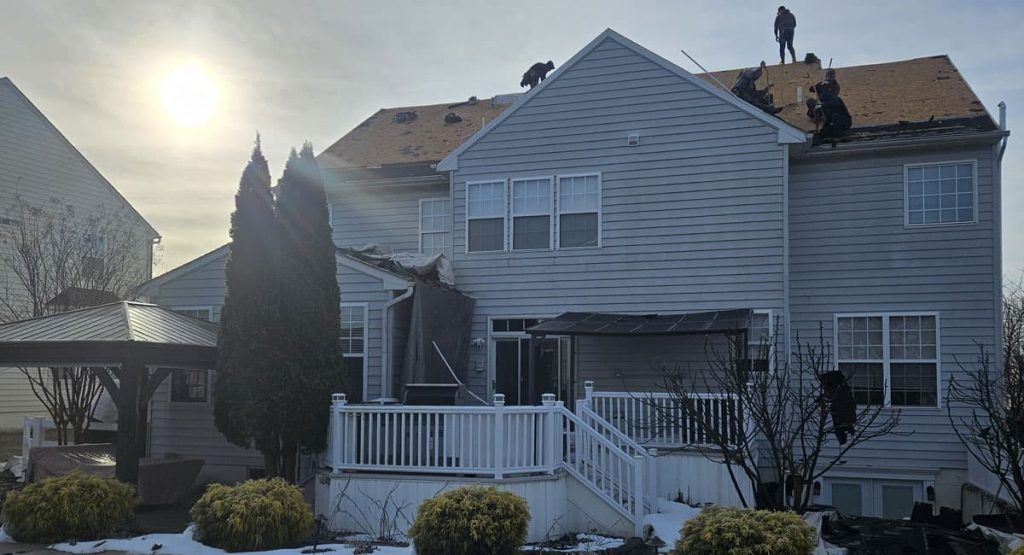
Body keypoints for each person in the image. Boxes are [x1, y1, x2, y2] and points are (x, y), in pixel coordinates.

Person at [806, 69, 852, 138]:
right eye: (830, 77)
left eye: (833, 77)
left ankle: (820, 118)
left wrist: (824, 101)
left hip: (829, 105)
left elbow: (834, 98)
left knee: (826, 109)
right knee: (810, 101)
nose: (831, 78)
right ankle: (815, 115)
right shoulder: (823, 84)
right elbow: (811, 89)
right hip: (820, 102)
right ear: (827, 77)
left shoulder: (836, 86)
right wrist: (820, 84)